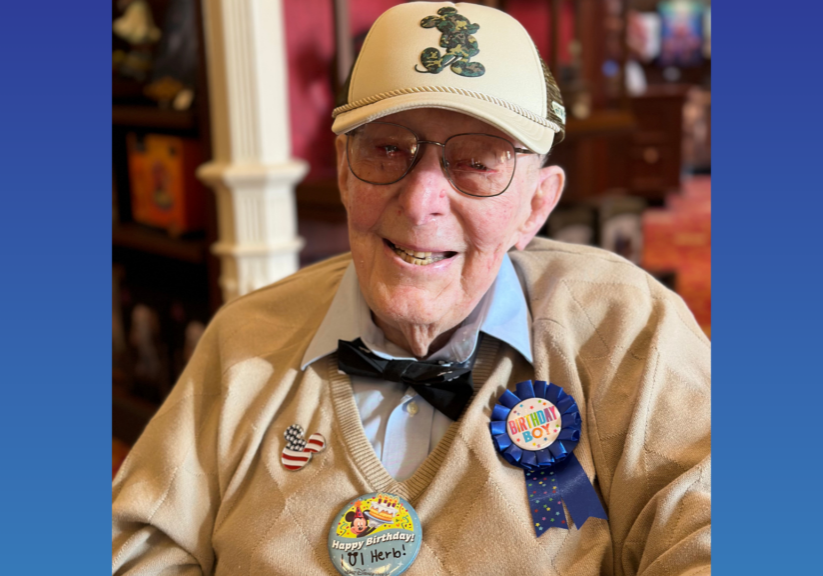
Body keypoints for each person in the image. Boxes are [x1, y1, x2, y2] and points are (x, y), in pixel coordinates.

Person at [112, 3, 710, 575]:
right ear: (345, 173)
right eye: (388, 149)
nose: (421, 201)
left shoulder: (629, 325)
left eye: (478, 162)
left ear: (535, 205)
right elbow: (140, 547)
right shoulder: (245, 339)